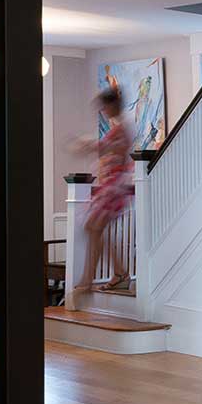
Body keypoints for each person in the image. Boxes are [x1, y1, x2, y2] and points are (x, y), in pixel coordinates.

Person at [68, 85, 136, 309]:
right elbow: (104, 149)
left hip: (115, 186)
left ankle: (93, 278)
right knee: (93, 227)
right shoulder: (119, 127)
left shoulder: (122, 128)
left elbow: (109, 149)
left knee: (92, 226)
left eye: (105, 107)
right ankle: (119, 273)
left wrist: (87, 145)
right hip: (111, 184)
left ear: (112, 105)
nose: (103, 112)